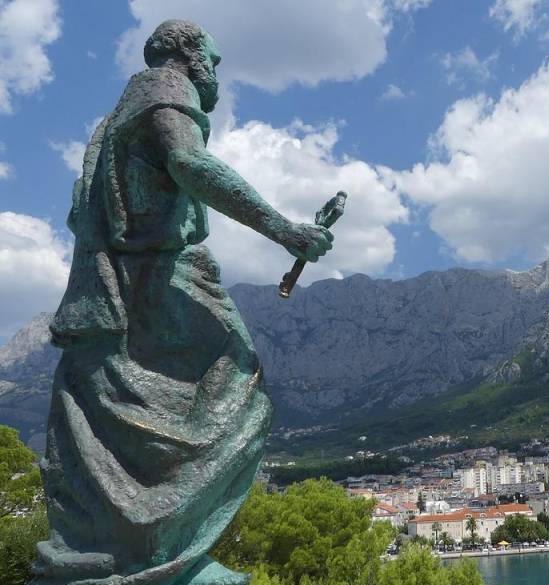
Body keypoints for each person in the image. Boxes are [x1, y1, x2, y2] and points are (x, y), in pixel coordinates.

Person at [34, 20, 332, 585]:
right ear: (189, 56)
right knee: (242, 386)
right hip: (158, 275)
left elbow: (80, 213)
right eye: (213, 62)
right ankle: (166, 557)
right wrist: (282, 228)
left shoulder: (111, 122)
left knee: (119, 417)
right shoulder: (165, 86)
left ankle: (145, 550)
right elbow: (189, 162)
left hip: (116, 285)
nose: (215, 74)